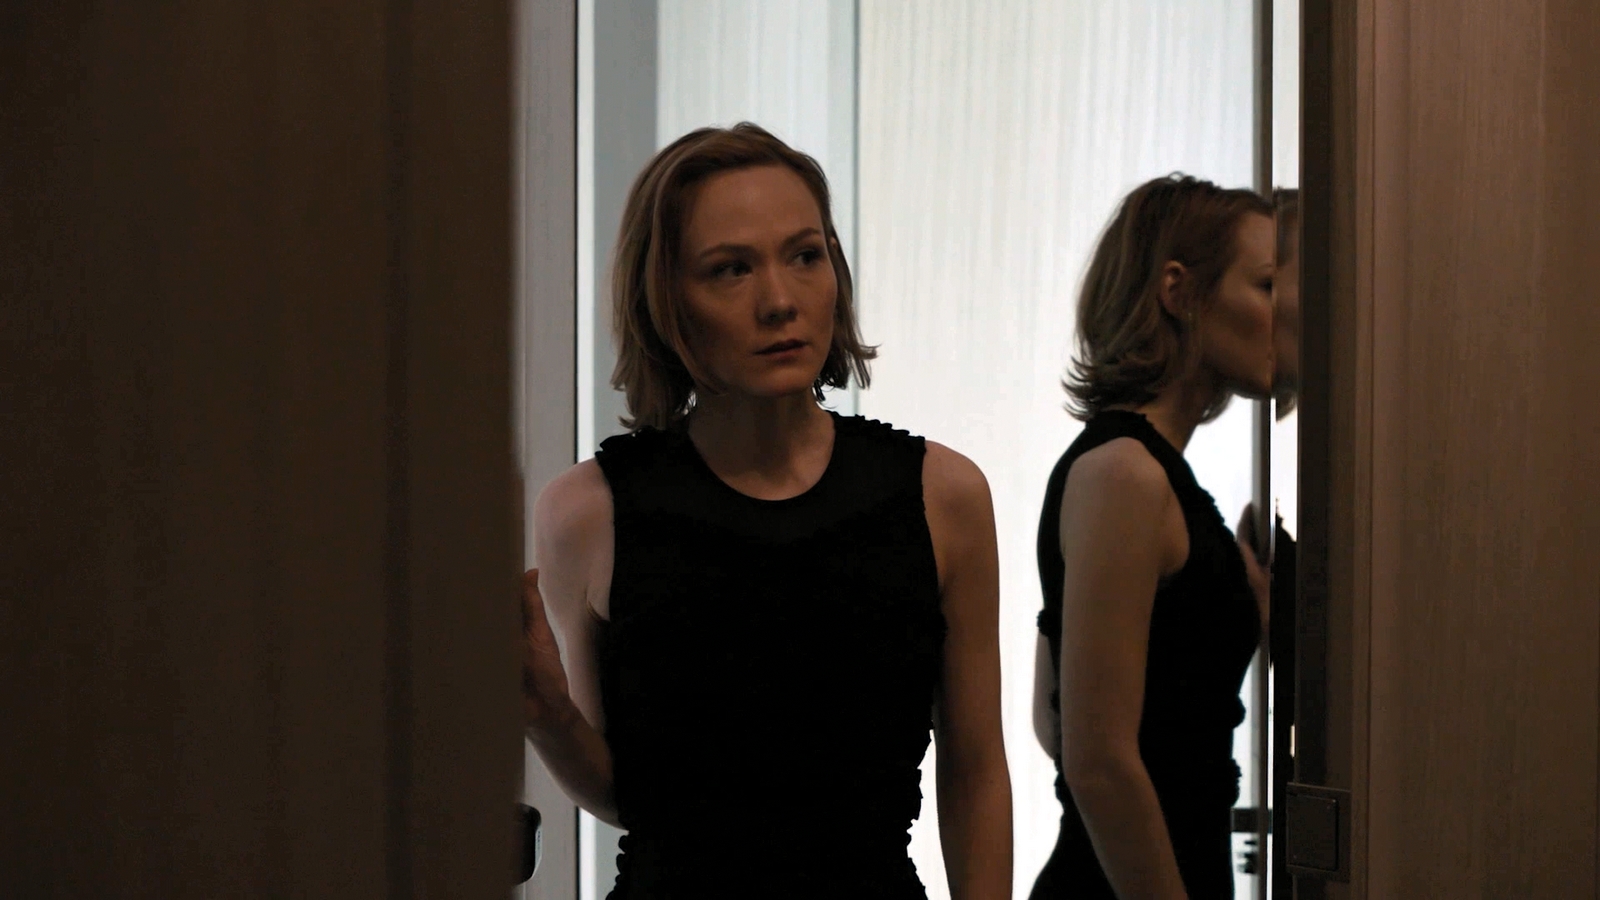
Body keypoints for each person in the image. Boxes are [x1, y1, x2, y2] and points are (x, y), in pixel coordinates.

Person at [521, 122, 1013, 900]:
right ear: (665, 298)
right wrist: (547, 713)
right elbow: (629, 796)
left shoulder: (941, 495)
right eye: (731, 270)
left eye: (806, 256)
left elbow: (977, 767)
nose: (781, 301)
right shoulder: (588, 511)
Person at [1029, 174, 1275, 899]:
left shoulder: (1149, 475)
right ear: (1179, 292)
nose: (1284, 315)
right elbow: (1095, 759)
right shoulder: (1125, 474)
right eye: (1264, 286)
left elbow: (1059, 714)